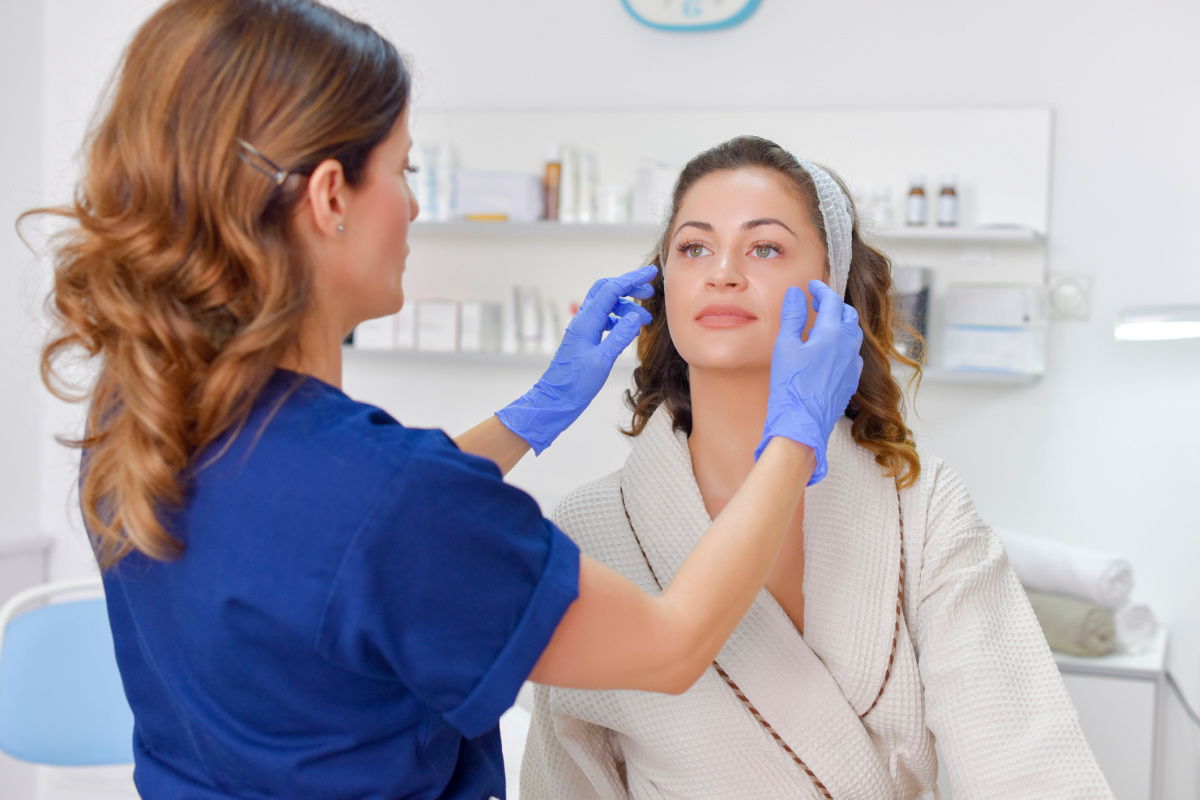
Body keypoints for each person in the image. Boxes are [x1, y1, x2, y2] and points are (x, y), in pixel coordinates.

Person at [30, 3, 865, 799]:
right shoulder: (400, 501)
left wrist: (529, 416)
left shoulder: (138, 420)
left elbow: (326, 546)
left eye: (763, 247)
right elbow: (672, 644)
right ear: (329, 198)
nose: (415, 205)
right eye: (403, 170)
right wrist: (797, 431)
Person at [521, 136, 1115, 799]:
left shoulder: (918, 508)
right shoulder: (593, 530)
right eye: (693, 248)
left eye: (765, 247)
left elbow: (1022, 758)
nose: (722, 271)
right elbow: (564, 780)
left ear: (831, 286)